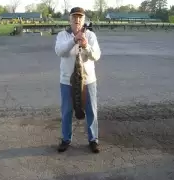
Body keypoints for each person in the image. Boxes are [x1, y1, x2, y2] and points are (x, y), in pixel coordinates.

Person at [55, 7, 101, 153]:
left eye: (80, 17)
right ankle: (66, 139)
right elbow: (59, 51)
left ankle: (93, 139)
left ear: (84, 19)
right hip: (67, 81)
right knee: (67, 111)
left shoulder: (91, 35)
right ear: (70, 19)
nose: (77, 20)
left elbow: (97, 56)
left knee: (91, 111)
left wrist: (86, 45)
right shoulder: (63, 35)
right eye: (74, 17)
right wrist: (74, 40)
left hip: (88, 81)